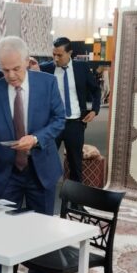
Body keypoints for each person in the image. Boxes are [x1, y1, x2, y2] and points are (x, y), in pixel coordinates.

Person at [0, 36, 65, 273]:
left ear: (27, 61)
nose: (11, 75)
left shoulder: (47, 84)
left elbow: (59, 120)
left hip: (41, 169)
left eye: (16, 68)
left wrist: (36, 138)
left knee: (41, 229)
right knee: (4, 231)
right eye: (5, 70)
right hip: (8, 171)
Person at [40, 36, 101, 183]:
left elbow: (96, 89)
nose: (56, 58)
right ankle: (45, 191)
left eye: (59, 55)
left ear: (70, 53)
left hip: (75, 123)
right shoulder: (46, 69)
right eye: (54, 54)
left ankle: (75, 196)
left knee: (75, 163)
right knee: (45, 161)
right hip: (53, 123)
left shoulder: (81, 68)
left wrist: (94, 110)